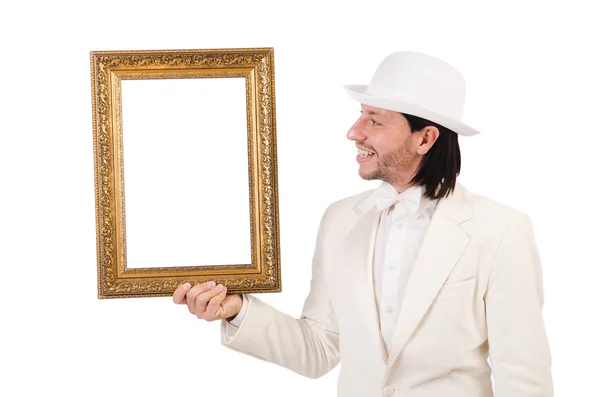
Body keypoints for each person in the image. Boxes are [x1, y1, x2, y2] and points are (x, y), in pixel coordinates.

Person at [173, 51, 554, 397]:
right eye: (360, 115)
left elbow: (523, 376)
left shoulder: (501, 230)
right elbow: (319, 348)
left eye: (374, 120)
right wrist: (237, 309)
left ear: (426, 139)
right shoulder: (339, 220)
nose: (354, 132)